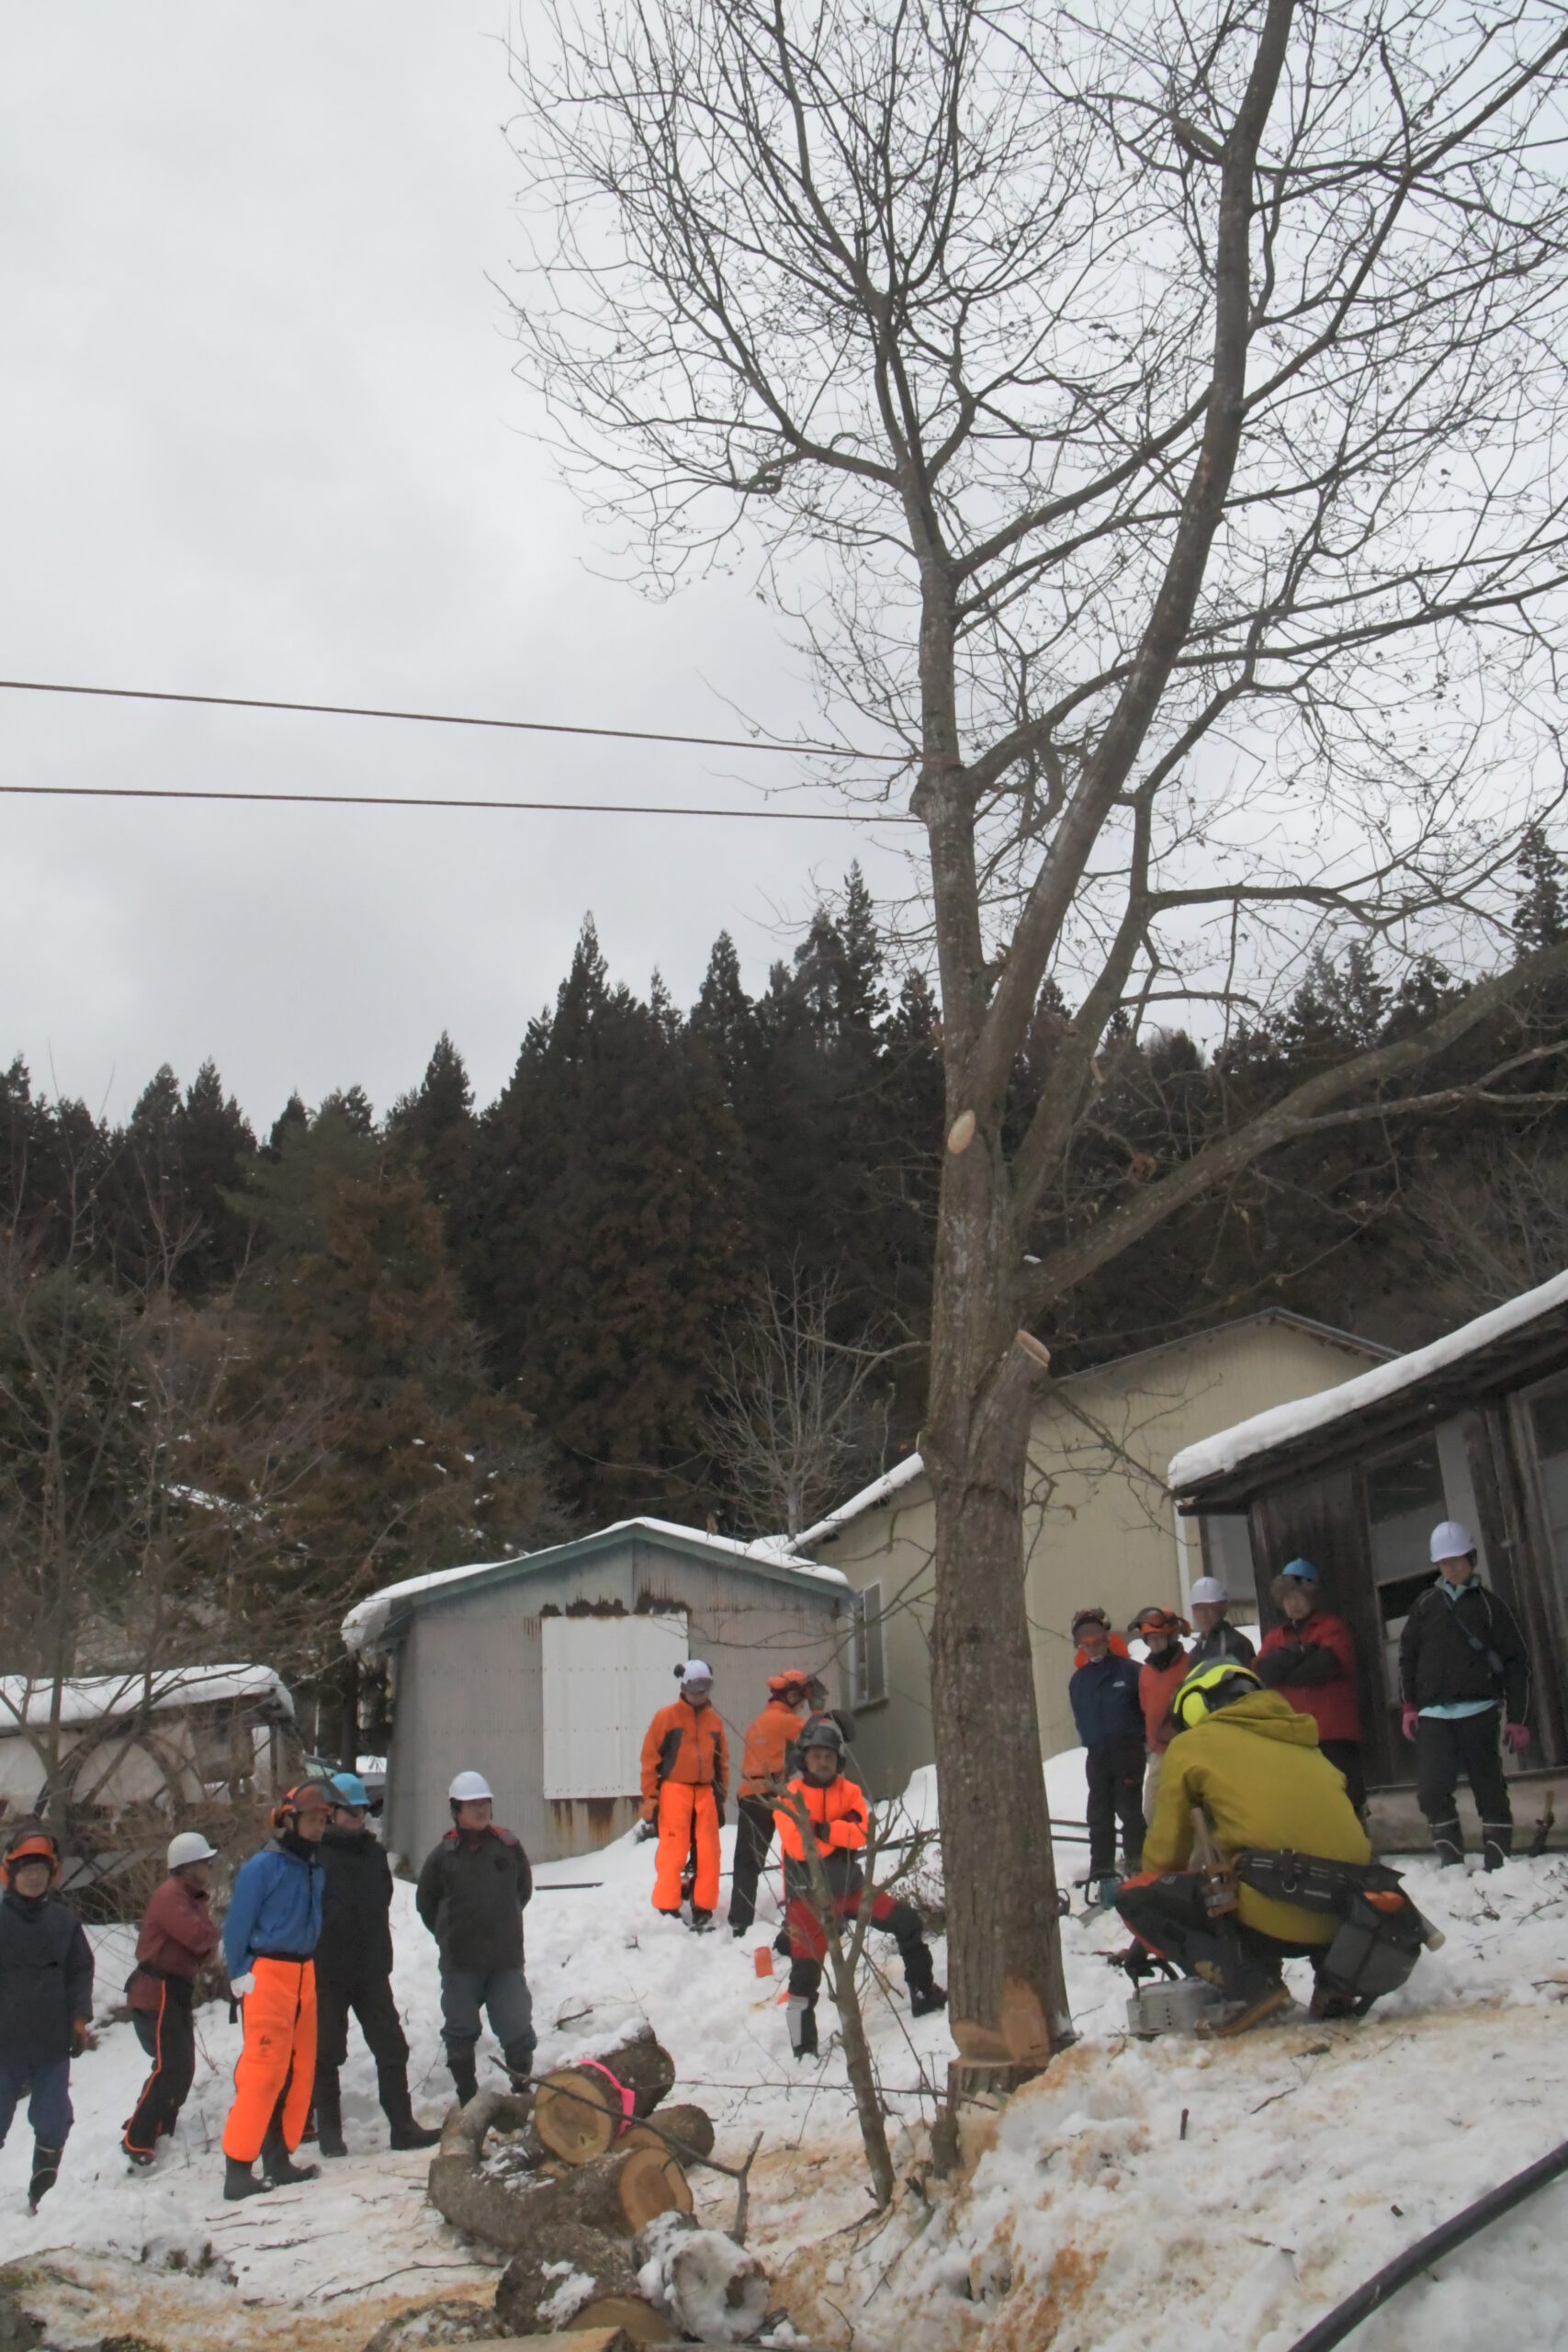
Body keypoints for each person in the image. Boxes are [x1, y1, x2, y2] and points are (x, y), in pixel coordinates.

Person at [1114, 1662, 1373, 2022]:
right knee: (1292, 1861)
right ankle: (1335, 1980)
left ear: (1196, 1705)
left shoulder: (1193, 1745)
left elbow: (1166, 1855)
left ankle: (1250, 1982)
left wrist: (1148, 1933)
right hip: (1348, 1916)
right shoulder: (1301, 1739)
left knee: (1136, 1894)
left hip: (1276, 1915)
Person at [773, 1717, 944, 2059]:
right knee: (804, 1979)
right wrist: (838, 1834)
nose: (823, 1762)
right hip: (807, 1900)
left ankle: (923, 1993)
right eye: (816, 1755)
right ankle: (803, 2048)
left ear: (839, 1761)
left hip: (851, 1891)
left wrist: (823, 1832)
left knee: (907, 1922)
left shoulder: (850, 1792)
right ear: (803, 1759)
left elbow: (863, 1834)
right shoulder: (790, 1795)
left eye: (829, 1756)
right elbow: (796, 1845)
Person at [312, 1772, 440, 2158]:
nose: (361, 1819)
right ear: (331, 1812)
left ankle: (402, 2127)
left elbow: (382, 1898)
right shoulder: (316, 1855)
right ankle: (330, 2134)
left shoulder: (372, 1852)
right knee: (327, 2051)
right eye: (353, 1812)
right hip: (329, 1971)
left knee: (391, 2047)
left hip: (371, 1969)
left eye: (364, 1811)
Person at [220, 1780, 331, 2201]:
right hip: (268, 1974)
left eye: (323, 1820)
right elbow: (236, 1927)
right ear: (288, 1820)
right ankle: (238, 2168)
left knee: (301, 2070)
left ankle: (279, 2158)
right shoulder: (262, 1868)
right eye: (312, 1819)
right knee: (264, 2071)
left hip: (305, 1974)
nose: (319, 1827)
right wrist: (240, 1975)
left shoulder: (313, 1869)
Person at [1399, 1519, 1530, 1871]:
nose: (1453, 1567)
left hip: (1480, 1710)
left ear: (1471, 1558)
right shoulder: (1425, 1605)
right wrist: (1409, 1705)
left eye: (1458, 1559)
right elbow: (1407, 1656)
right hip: (1434, 1715)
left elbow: (1517, 1663)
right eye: (1445, 1562)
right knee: (1430, 1790)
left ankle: (1498, 1862)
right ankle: (1451, 1861)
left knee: (1488, 1786)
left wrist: (1519, 1719)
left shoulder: (1490, 1606)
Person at [416, 1770, 534, 2107]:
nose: (480, 1810)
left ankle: (522, 2091)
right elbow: (426, 1903)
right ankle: (467, 2096)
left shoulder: (509, 1847)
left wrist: (503, 1922)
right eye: (472, 1805)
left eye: (485, 1803)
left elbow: (522, 1892)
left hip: (505, 1960)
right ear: (456, 1810)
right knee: (460, 2031)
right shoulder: (443, 1856)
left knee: (517, 2027)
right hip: (460, 1962)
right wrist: (447, 1933)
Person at [0, 1823, 94, 2214]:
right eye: (26, 1870)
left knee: (54, 2116)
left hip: (52, 2040)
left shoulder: (64, 1921)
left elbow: (80, 1970)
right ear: (10, 1874)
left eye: (41, 1870)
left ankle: (44, 2189)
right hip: (4, 2042)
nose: (34, 1877)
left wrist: (78, 2018)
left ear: (52, 1875)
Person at [121, 1829, 221, 2168]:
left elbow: (204, 1949)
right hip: (157, 1990)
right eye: (205, 1862)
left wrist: (208, 1940)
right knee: (171, 2065)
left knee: (182, 2066)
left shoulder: (190, 1897)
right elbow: (198, 1938)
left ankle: (158, 2126)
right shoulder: (171, 1896)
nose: (210, 1868)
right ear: (188, 1866)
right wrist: (213, 1935)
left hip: (174, 1988)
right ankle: (137, 2136)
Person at [1255, 1559, 1365, 1812]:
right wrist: (1302, 1653)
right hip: (1294, 1737)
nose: (1293, 1603)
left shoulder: (1333, 1628)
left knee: (1345, 1802)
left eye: (1299, 1596)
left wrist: (1285, 1665)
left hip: (1333, 1733)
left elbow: (1323, 1668)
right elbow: (1262, 1671)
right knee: (1305, 1804)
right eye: (1287, 1597)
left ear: (1313, 1596)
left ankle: (1357, 1847)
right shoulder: (1275, 1637)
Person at [639, 1660, 729, 1931]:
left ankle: (703, 1906)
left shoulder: (714, 1722)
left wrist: (720, 1798)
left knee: (709, 1852)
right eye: (695, 1688)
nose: (700, 1694)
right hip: (674, 1791)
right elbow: (649, 1761)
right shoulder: (665, 1718)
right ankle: (667, 1906)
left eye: (705, 1688)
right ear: (683, 1687)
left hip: (704, 1792)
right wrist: (651, 1800)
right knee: (673, 1850)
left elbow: (721, 1763)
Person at [1067, 1606, 1145, 1905]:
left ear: (1106, 1637)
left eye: (1096, 1638)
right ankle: (1101, 1870)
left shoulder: (1130, 1671)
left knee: (1129, 1809)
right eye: (1084, 1641)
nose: (1091, 1646)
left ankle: (1136, 1863)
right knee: (1098, 1813)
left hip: (1128, 1750)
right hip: (1097, 1754)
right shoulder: (1079, 1680)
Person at [728, 1670, 811, 1938]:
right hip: (775, 1793)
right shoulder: (789, 1722)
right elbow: (821, 1738)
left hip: (750, 1795)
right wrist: (821, 1711)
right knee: (797, 1855)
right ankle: (800, 1910)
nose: (802, 1706)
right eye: (802, 1700)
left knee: (746, 1862)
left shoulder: (759, 1722)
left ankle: (740, 1923)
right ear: (792, 1697)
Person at [1129, 1605, 1190, 1820]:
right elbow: (1146, 1707)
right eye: (1150, 1639)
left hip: (1187, 1748)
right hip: (1158, 1751)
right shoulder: (1145, 1671)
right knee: (1152, 1810)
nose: (1154, 1644)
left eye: (1159, 1638)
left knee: (1188, 1809)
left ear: (1171, 1637)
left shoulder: (1189, 1664)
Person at [1187, 1577, 1257, 1668]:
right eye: (1198, 1608)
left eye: (1210, 1608)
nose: (1204, 1614)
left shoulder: (1236, 1644)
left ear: (1223, 1607)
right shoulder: (1197, 1649)